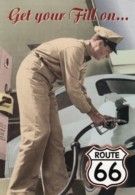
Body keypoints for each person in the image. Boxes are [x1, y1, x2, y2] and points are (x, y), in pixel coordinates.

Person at [7, 26, 123, 195]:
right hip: (32, 75)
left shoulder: (83, 60)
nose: (108, 55)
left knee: (55, 140)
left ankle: (58, 190)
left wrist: (96, 114)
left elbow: (80, 89)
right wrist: (92, 115)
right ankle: (19, 191)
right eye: (108, 50)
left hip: (47, 84)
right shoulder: (74, 49)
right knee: (37, 133)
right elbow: (72, 90)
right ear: (98, 42)